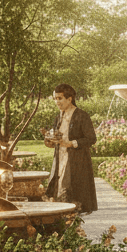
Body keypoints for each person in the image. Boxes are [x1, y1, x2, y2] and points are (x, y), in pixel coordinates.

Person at [44, 84, 98, 214]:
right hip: (60, 159)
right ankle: (64, 223)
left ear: (70, 99)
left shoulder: (82, 116)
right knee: (59, 191)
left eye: (60, 98)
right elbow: (56, 137)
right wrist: (50, 141)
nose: (57, 102)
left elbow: (91, 138)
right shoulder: (59, 117)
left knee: (72, 194)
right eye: (55, 98)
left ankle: (72, 223)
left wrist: (71, 143)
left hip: (76, 161)